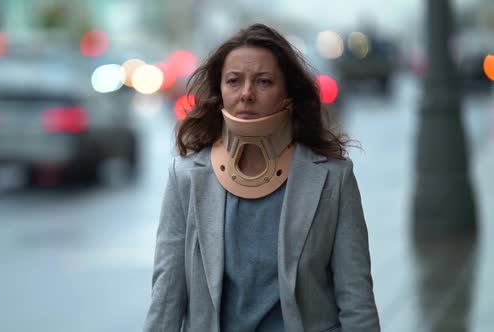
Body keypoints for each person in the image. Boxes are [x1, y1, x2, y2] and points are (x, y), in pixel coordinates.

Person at [144, 23, 380, 332]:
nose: (246, 94)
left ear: (288, 93)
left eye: (264, 81)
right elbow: (165, 301)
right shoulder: (187, 178)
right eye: (233, 81)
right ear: (220, 93)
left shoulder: (331, 178)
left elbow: (356, 301)